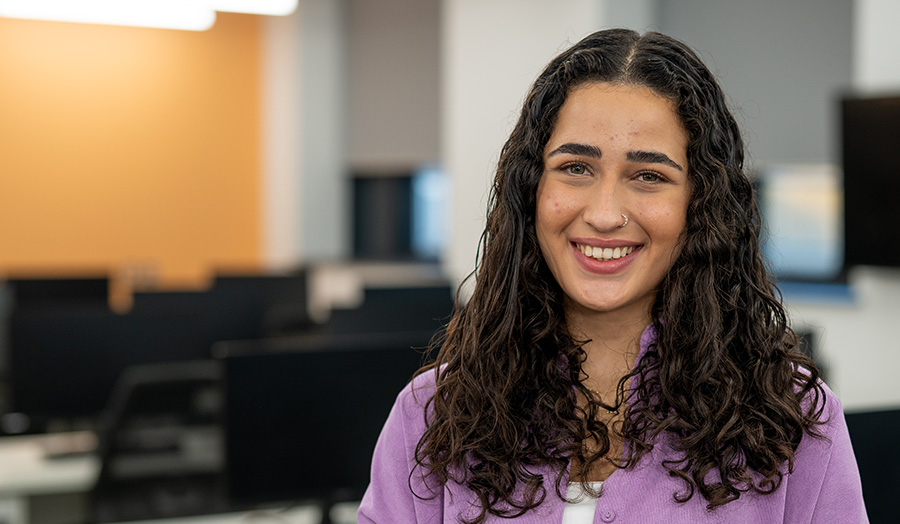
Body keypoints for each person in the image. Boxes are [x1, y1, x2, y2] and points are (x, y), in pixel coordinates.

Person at [357, 29, 868, 523]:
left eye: (649, 176)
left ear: (701, 204)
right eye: (576, 167)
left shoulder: (795, 421)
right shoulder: (434, 412)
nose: (604, 215)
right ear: (531, 189)